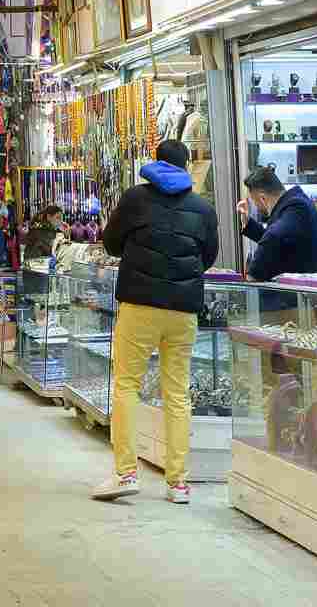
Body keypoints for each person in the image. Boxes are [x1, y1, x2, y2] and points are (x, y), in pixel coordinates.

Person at [92, 139, 219, 504]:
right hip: (183, 311)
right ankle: (178, 483)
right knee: (176, 393)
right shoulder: (203, 208)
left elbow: (112, 243)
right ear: (185, 167)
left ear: (156, 163)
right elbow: (207, 257)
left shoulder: (135, 199)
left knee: (127, 385)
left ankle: (126, 472)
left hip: (139, 304)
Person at [238, 165, 317, 281]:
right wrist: (248, 223)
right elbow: (281, 242)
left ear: (263, 199)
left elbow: (273, 237)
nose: (255, 207)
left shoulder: (297, 207)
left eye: (254, 201)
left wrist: (252, 274)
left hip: (293, 295)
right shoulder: (293, 203)